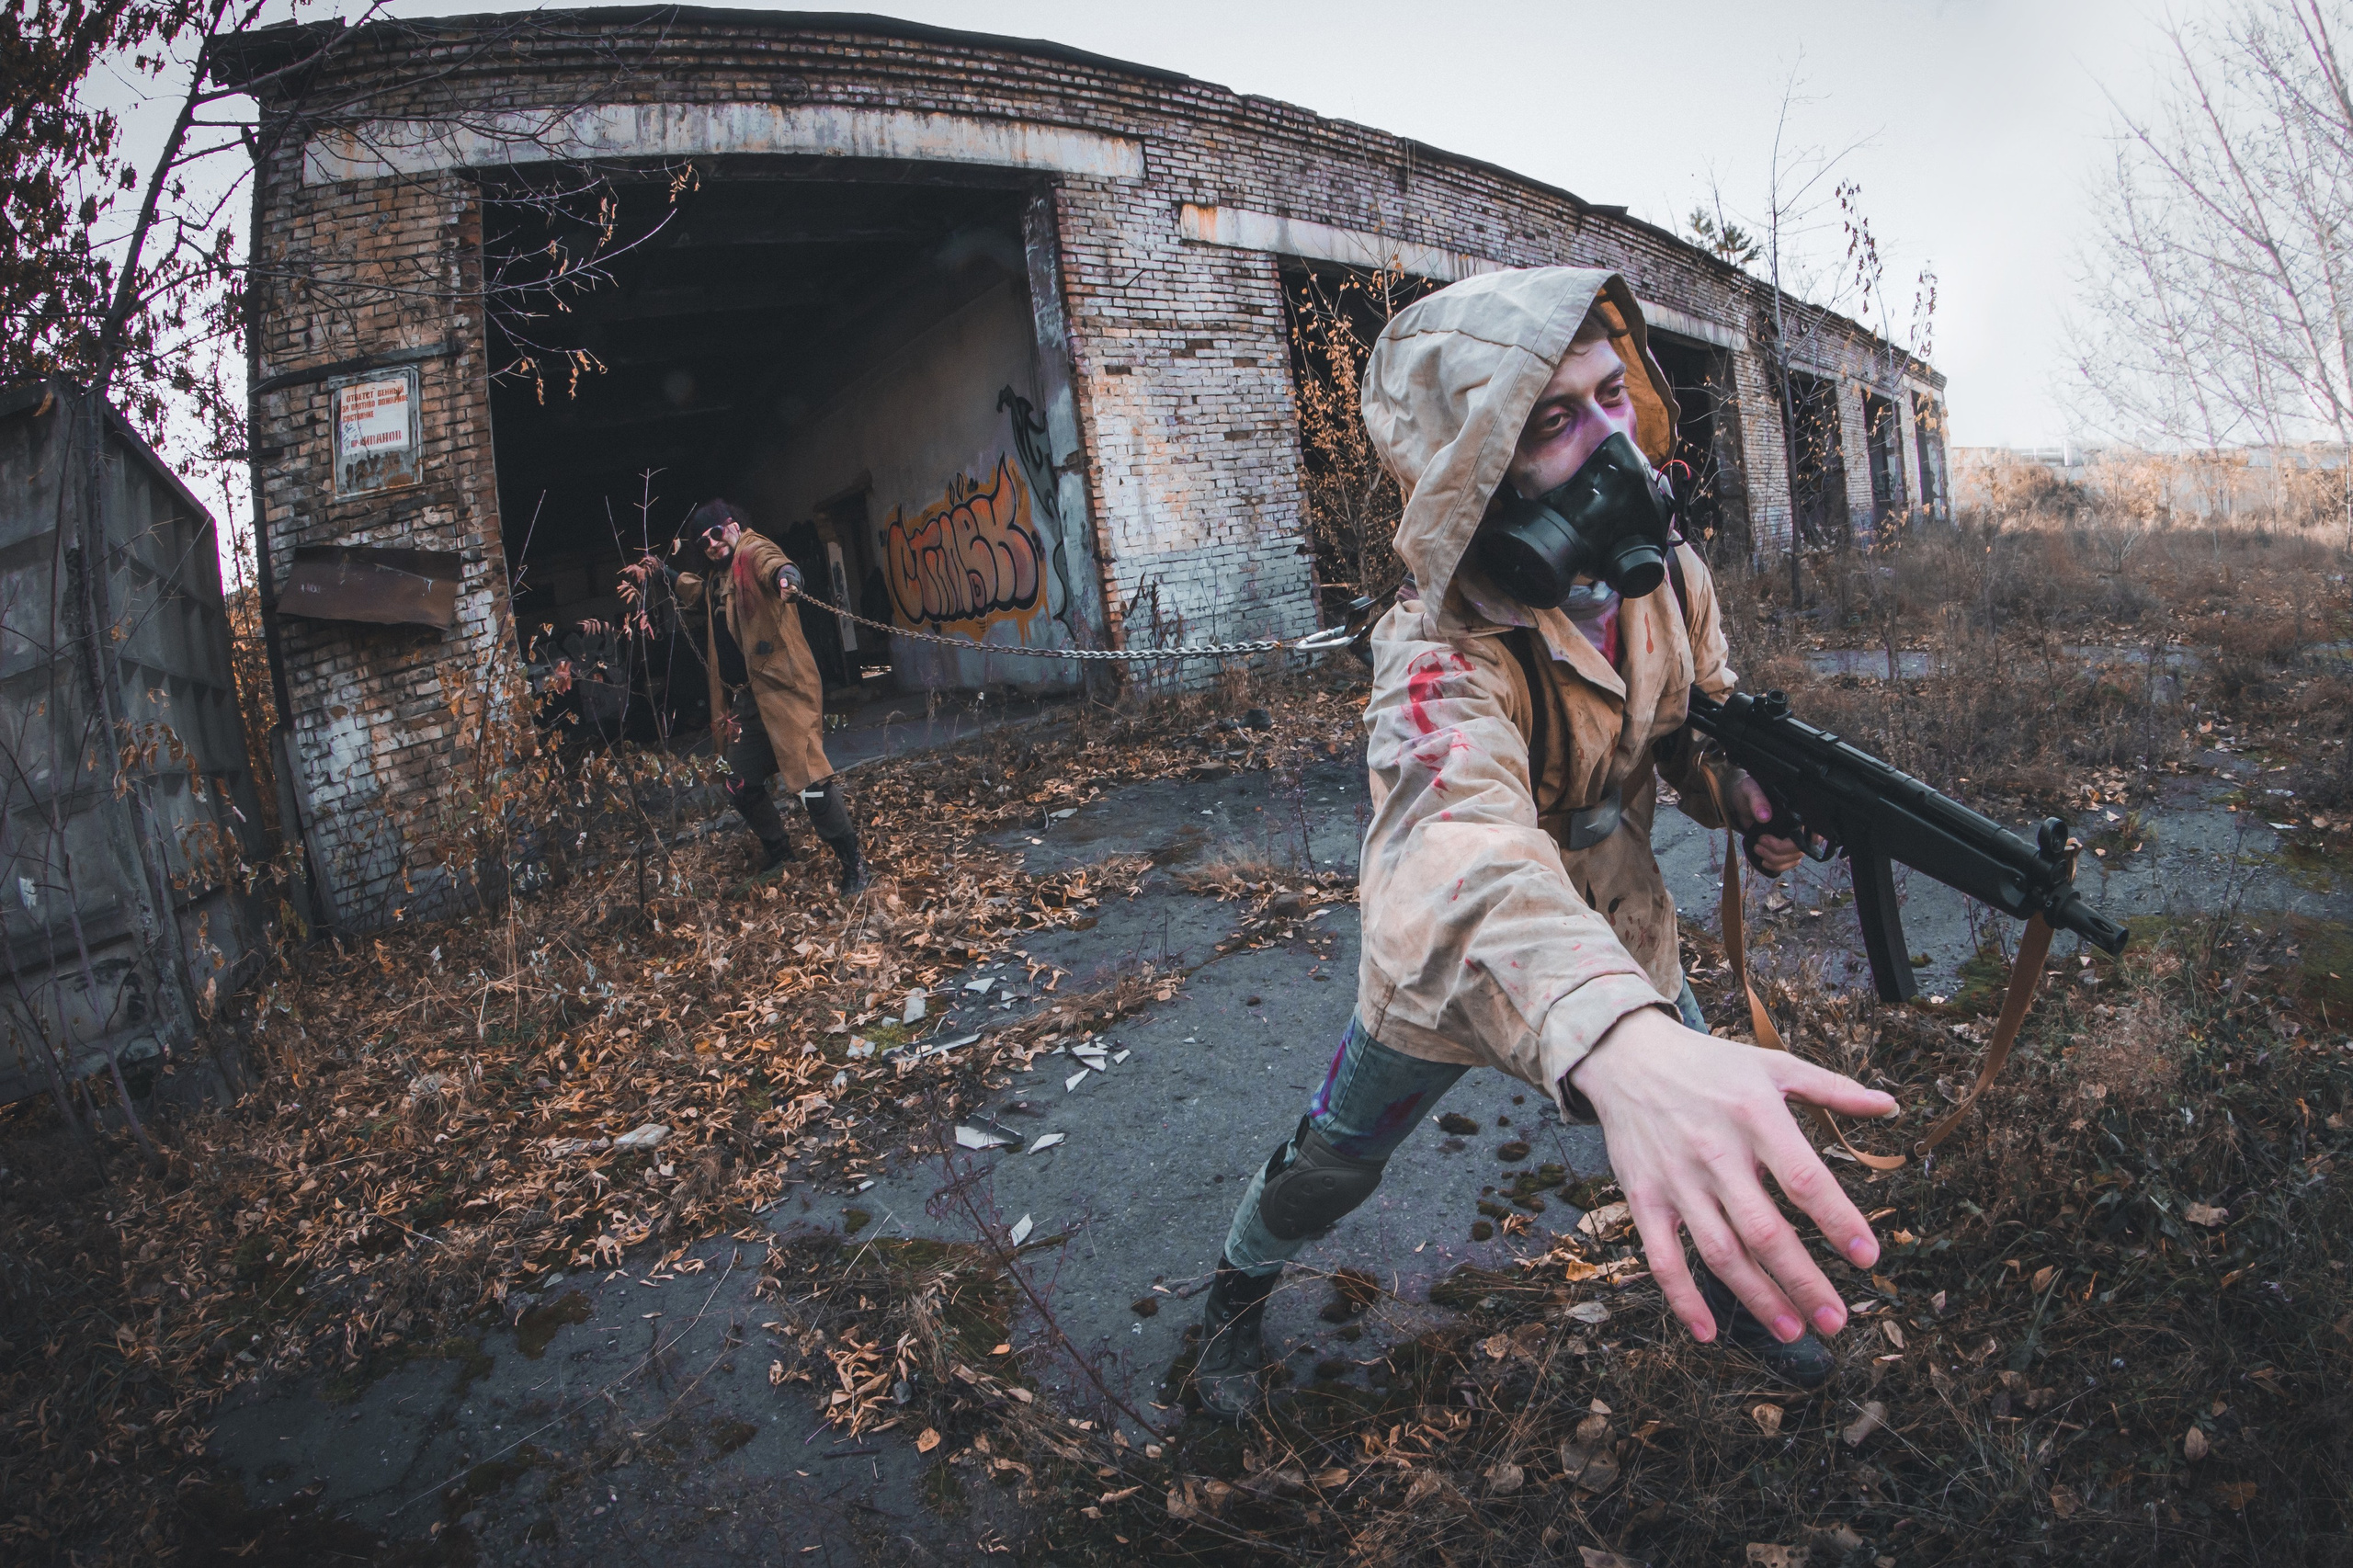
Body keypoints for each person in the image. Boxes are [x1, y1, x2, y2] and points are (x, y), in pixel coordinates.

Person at [1190, 267, 1897, 1421]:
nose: (1612, 440)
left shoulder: (1669, 580)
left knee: (1706, 1110)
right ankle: (1237, 1280)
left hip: (1622, 926)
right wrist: (1616, 1033)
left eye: (1612, 394)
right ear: (1482, 464)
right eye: (1553, 420)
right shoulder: (1434, 648)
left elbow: (1694, 721)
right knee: (1337, 1153)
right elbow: (1452, 837)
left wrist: (1749, 795)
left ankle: (1749, 1297)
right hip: (1460, 958)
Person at [631, 498, 868, 892]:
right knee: (738, 781)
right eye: (703, 540)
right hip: (749, 702)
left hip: (785, 692)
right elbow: (696, 591)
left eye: (717, 532)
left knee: (811, 783)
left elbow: (776, 564)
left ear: (735, 526)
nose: (712, 543)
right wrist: (663, 572)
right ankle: (780, 853)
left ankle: (854, 863)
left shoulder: (753, 552)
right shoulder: (720, 579)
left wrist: (787, 579)